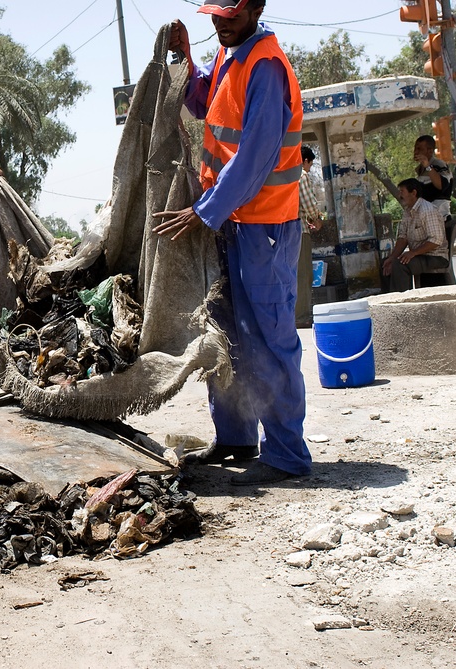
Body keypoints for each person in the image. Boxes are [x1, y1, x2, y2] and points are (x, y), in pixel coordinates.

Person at [152, 0, 311, 485]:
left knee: (266, 336)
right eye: (216, 15)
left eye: (232, 14)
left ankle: (286, 452)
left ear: (257, 7)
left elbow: (256, 156)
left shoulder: (264, 65)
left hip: (262, 226)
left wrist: (205, 211)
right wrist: (185, 60)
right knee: (228, 337)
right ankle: (238, 436)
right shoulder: (231, 54)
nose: (222, 22)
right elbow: (207, 102)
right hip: (233, 223)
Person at [383, 178, 449, 291]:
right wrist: (392, 257)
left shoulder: (427, 210)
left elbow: (436, 240)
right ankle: (387, 300)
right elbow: (403, 238)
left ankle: (403, 301)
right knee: (387, 264)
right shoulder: (407, 212)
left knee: (401, 266)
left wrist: (413, 253)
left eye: (402, 192)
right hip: (419, 255)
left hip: (435, 256)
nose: (400, 195)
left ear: (413, 193)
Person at [296, 145, 324, 327]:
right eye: (310, 164)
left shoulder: (281, 173)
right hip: (299, 229)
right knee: (303, 273)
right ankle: (302, 315)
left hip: (281, 230)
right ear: (305, 160)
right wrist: (317, 218)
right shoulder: (301, 175)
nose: (309, 169)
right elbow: (308, 203)